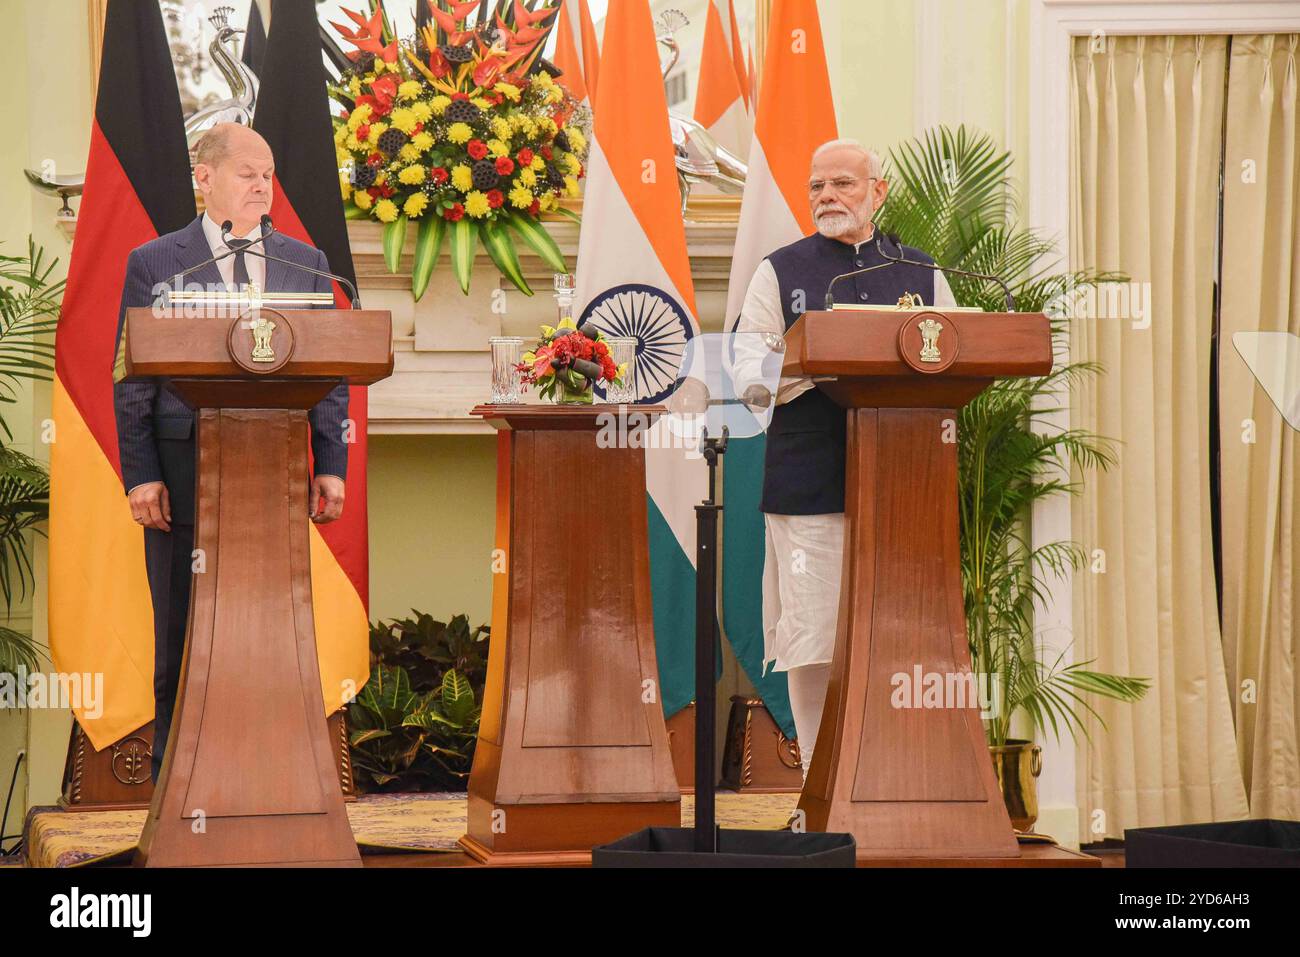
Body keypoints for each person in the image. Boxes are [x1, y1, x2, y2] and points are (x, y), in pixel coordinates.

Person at [112, 123, 350, 784]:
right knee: (183, 639)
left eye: (267, 174)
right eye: (247, 172)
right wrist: (142, 477)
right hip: (184, 475)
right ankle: (174, 788)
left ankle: (270, 778)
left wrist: (329, 462)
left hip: (271, 478)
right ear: (204, 177)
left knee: (272, 635)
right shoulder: (157, 262)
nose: (260, 185)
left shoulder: (303, 262)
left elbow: (331, 373)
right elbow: (132, 377)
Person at [734, 138, 957, 780]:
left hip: (903, 482)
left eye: (843, 184)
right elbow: (749, 371)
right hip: (810, 481)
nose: (827, 197)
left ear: (877, 192)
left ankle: (896, 775)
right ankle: (820, 783)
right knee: (816, 637)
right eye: (817, 187)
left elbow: (956, 357)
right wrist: (818, 362)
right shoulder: (781, 270)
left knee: (901, 635)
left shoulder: (922, 273)